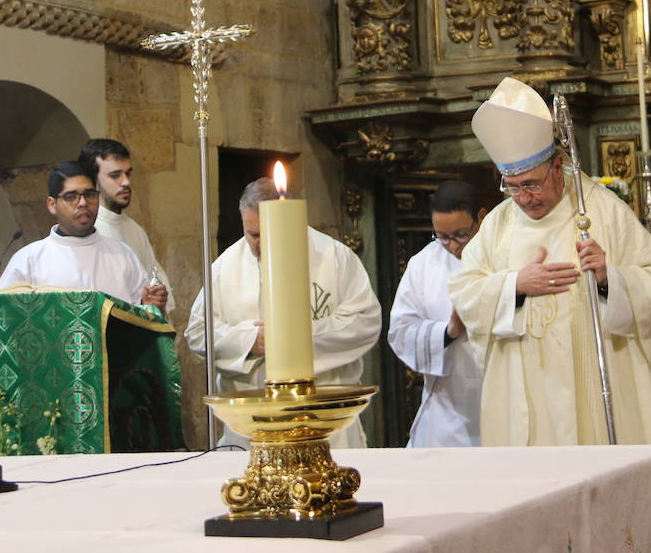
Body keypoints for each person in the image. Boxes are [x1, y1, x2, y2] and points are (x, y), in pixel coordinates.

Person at [447, 77, 651, 446]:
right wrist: (514, 286)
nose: (523, 198)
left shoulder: (600, 209)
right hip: (525, 394)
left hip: (596, 384)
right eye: (512, 185)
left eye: (532, 184)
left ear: (558, 167)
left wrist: (609, 278)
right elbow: (465, 292)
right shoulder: (498, 225)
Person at [185, 177, 381, 448]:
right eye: (252, 234)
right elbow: (197, 333)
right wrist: (249, 340)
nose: (259, 243)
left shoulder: (334, 257)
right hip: (251, 427)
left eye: (266, 233)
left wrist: (294, 337)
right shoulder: (224, 268)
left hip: (326, 422)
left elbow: (364, 321)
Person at [387, 180, 486, 447]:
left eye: (461, 234)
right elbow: (400, 332)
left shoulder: (504, 255)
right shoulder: (423, 264)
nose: (452, 246)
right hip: (447, 410)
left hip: (501, 399)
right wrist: (448, 331)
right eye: (442, 236)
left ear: (481, 218)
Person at [0, 160, 167, 308]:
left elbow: (144, 317)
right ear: (52, 204)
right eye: (71, 197)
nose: (83, 203)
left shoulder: (123, 255)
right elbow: (4, 319)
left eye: (89, 195)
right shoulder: (29, 260)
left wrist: (149, 305)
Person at [78, 138, 174, 316]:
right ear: (92, 180)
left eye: (128, 174)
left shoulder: (135, 230)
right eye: (115, 176)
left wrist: (157, 297)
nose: (126, 182)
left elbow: (156, 287)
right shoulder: (84, 232)